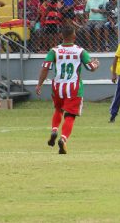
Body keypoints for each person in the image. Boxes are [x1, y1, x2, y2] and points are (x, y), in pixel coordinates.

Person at [35, 26, 101, 154]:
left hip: (58, 87)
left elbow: (45, 68)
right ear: (74, 36)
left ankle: (54, 130)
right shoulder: (80, 51)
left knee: (58, 109)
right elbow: (90, 67)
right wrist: (96, 64)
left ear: (62, 36)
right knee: (70, 115)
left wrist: (39, 85)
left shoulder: (54, 51)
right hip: (73, 88)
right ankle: (63, 139)